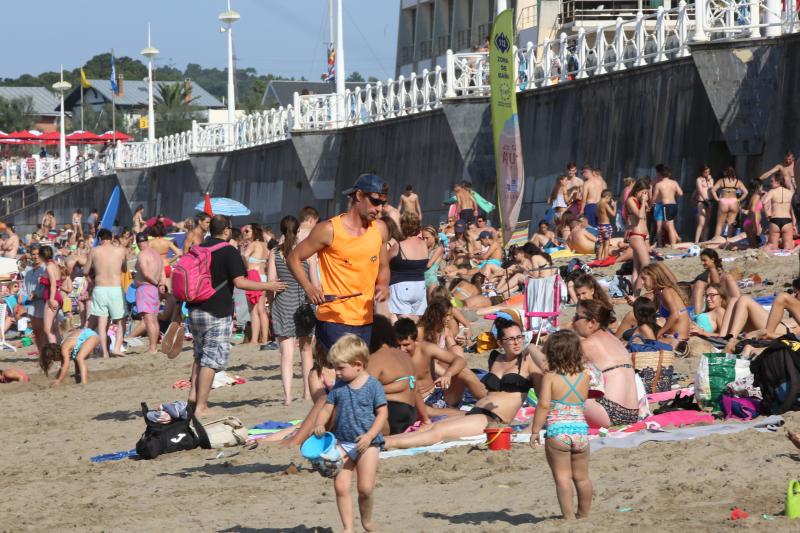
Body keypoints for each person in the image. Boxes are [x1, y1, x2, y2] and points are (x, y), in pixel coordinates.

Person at [187, 215, 287, 417]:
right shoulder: (227, 250)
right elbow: (241, 282)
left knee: (199, 355)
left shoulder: (199, 248)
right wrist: (267, 285)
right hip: (216, 310)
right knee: (210, 359)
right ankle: (201, 406)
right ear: (225, 231)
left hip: (194, 308)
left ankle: (192, 398)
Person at [385, 317, 535, 450]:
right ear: (501, 342)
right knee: (430, 427)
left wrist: (531, 429)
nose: (516, 342)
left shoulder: (528, 362)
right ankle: (382, 441)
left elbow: (546, 396)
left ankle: (386, 443)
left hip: (494, 419)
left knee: (438, 432)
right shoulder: (496, 358)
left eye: (519, 337)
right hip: (477, 411)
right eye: (511, 339)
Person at [287, 173, 390, 353]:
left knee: (357, 374)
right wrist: (309, 288)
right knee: (341, 373)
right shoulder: (329, 230)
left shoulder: (380, 229)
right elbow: (293, 258)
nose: (379, 208)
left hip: (365, 319)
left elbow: (383, 265)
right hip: (334, 319)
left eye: (382, 203)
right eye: (375, 202)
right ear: (359, 196)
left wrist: (383, 284)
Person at [313, 334, 387, 533]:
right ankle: (348, 528)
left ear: (358, 365)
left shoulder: (373, 386)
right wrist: (320, 423)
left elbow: (382, 413)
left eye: (340, 368)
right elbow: (327, 408)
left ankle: (368, 522)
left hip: (368, 444)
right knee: (341, 487)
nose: (336, 372)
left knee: (365, 489)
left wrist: (370, 435)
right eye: (335, 367)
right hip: (342, 442)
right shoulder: (339, 387)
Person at [527, 330, 592, 520]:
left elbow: (544, 405)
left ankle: (569, 518)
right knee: (582, 477)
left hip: (558, 431)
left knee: (562, 478)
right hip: (580, 430)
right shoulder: (585, 376)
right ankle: (583, 515)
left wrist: (535, 430)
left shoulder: (550, 377)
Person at [394, 317, 485, 414]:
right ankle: (469, 415)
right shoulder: (390, 357)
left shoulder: (425, 348)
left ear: (415, 341)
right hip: (422, 404)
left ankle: (489, 404)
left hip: (438, 394)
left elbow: (460, 361)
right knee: (428, 411)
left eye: (406, 345)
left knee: (463, 372)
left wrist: (448, 374)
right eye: (398, 345)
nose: (402, 349)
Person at [268, 215, 314, 405]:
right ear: (297, 231)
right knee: (306, 350)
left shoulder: (275, 252)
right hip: (302, 303)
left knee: (286, 354)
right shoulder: (307, 251)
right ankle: (307, 393)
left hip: (282, 303)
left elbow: (272, 282)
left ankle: (287, 397)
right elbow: (315, 282)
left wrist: (270, 306)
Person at [572, 299, 640, 427]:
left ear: (592, 322)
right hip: (632, 415)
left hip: (609, 413)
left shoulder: (587, 344)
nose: (573, 320)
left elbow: (552, 367)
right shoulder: (615, 340)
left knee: (560, 387)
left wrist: (531, 349)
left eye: (577, 317)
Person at [368, 315, 423, 435]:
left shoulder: (375, 358)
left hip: (391, 415)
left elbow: (363, 392)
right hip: (411, 415)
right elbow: (416, 391)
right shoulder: (405, 356)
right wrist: (425, 418)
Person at [85, 229, 128, 358]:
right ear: (112, 238)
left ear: (99, 239)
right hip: (115, 289)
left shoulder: (94, 251)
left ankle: (104, 353)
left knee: (102, 324)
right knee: (121, 321)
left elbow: (86, 271)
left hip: (100, 288)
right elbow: (124, 269)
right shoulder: (121, 250)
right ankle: (116, 348)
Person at [388, 212, 429, 321]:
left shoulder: (399, 246)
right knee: (416, 321)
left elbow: (382, 263)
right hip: (420, 286)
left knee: (401, 323)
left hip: (401, 286)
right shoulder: (424, 244)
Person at [641, 263, 690, 348]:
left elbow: (675, 315)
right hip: (673, 336)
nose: (642, 283)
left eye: (644, 279)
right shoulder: (659, 293)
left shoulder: (666, 291)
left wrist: (659, 333)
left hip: (677, 339)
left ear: (654, 277)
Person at [242, 223, 272, 347]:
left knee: (253, 310)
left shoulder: (253, 244)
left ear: (253, 232)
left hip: (254, 275)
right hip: (263, 277)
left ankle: (254, 340)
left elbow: (244, 255)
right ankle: (264, 339)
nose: (245, 232)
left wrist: (246, 266)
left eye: (247, 231)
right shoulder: (265, 245)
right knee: (262, 309)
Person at [133, 232, 163, 354]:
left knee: (148, 320)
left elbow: (146, 274)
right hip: (154, 289)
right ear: (147, 241)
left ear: (138, 244)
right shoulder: (156, 254)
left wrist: (156, 283)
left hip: (147, 288)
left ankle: (152, 348)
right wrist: (161, 285)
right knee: (154, 319)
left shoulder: (142, 254)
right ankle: (154, 346)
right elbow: (162, 273)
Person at [690, 248, 739, 315]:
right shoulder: (714, 272)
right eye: (701, 261)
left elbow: (717, 288)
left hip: (710, 304)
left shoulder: (713, 271)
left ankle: (697, 315)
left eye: (704, 260)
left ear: (712, 260)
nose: (702, 263)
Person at [625, 178, 651, 292]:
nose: (645, 195)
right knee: (646, 265)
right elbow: (639, 216)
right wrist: (644, 202)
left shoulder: (640, 202)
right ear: (637, 191)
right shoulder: (631, 200)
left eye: (646, 192)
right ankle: (637, 293)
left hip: (642, 236)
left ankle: (635, 292)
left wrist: (648, 238)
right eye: (643, 192)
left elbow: (644, 220)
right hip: (636, 235)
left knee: (637, 267)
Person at [711, 166, 748, 239]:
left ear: (725, 173)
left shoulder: (721, 181)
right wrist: (739, 199)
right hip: (733, 201)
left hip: (724, 201)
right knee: (730, 223)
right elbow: (746, 192)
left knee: (719, 223)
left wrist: (717, 199)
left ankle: (716, 240)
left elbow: (713, 190)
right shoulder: (738, 182)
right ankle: (728, 242)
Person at [652, 166, 684, 247]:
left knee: (670, 227)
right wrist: (672, 194)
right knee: (670, 225)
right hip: (674, 205)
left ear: (660, 174)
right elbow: (680, 193)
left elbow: (654, 198)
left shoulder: (659, 184)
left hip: (666, 206)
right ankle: (676, 239)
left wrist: (650, 204)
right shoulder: (674, 182)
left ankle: (673, 244)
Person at [39, 245, 64, 344]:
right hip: (57, 296)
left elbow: (53, 284)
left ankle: (55, 352)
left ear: (41, 256)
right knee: (54, 328)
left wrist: (51, 299)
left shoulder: (49, 267)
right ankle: (61, 350)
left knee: (48, 329)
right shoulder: (54, 265)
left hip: (52, 297)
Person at [764, 173, 796, 250]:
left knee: (772, 246)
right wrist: (794, 222)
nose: (770, 183)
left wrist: (767, 214)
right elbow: (793, 209)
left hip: (775, 220)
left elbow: (764, 202)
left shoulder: (772, 191)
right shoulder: (790, 193)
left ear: (778, 182)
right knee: (788, 247)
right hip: (787, 221)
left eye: (772, 181)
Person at [421, 225, 444, 298]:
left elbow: (428, 265)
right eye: (423, 238)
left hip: (431, 283)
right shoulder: (423, 248)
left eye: (427, 238)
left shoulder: (439, 248)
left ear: (434, 236)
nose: (424, 240)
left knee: (431, 306)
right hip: (421, 282)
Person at [694, 165, 714, 243]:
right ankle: (696, 241)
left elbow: (712, 189)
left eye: (708, 172)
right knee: (701, 222)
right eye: (706, 172)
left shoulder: (711, 179)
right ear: (702, 172)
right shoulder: (698, 179)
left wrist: (709, 181)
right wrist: (705, 200)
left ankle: (704, 241)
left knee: (707, 223)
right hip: (702, 201)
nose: (707, 173)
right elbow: (700, 190)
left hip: (710, 201)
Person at [595, 190, 616, 262]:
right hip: (606, 226)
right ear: (607, 196)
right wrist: (614, 206)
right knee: (607, 243)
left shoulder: (597, 204)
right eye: (609, 199)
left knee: (601, 243)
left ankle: (599, 258)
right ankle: (605, 259)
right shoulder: (605, 204)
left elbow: (597, 215)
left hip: (600, 225)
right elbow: (613, 214)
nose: (609, 200)